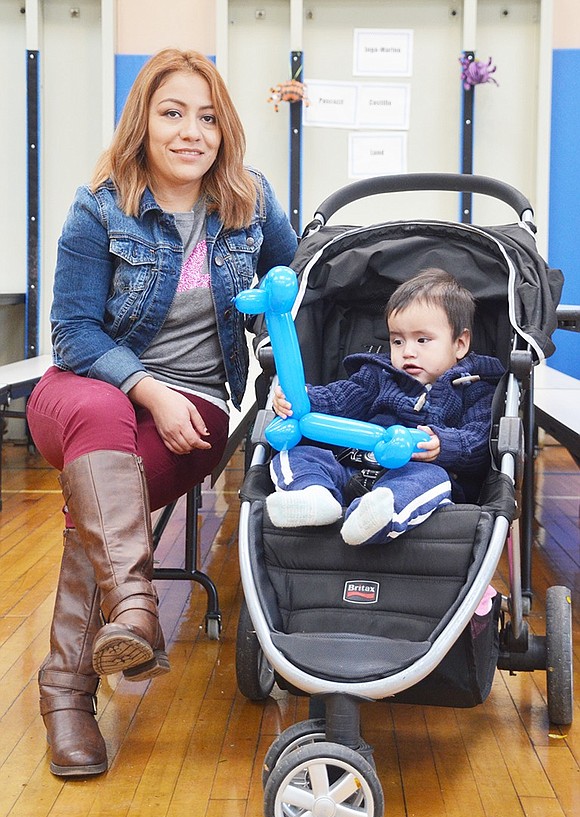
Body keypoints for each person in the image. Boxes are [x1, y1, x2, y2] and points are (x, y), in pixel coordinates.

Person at [26, 48, 297, 778]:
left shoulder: (252, 202)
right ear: (142, 120)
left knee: (98, 504)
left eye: (207, 118)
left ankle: (69, 689)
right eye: (172, 113)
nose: (191, 132)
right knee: (102, 419)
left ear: (225, 129)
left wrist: (285, 372)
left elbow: (291, 295)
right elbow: (75, 334)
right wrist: (148, 386)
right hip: (87, 390)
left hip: (199, 406)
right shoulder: (100, 206)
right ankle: (129, 624)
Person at [266, 268, 505, 545]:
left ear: (460, 344)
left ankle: (379, 515)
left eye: (422, 340)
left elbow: (479, 439)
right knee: (298, 453)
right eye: (397, 340)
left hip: (412, 472)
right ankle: (314, 496)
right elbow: (342, 397)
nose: (407, 351)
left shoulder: (474, 390)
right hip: (351, 466)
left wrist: (445, 444)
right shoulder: (379, 377)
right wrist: (304, 399)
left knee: (434, 478)